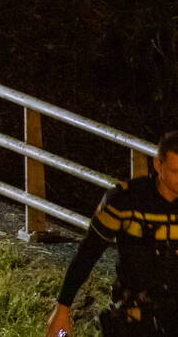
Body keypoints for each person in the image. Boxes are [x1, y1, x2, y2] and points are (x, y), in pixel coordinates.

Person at [45, 131, 178, 337]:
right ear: (158, 165)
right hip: (137, 312)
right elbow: (88, 253)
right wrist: (62, 308)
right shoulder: (124, 201)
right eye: (175, 171)